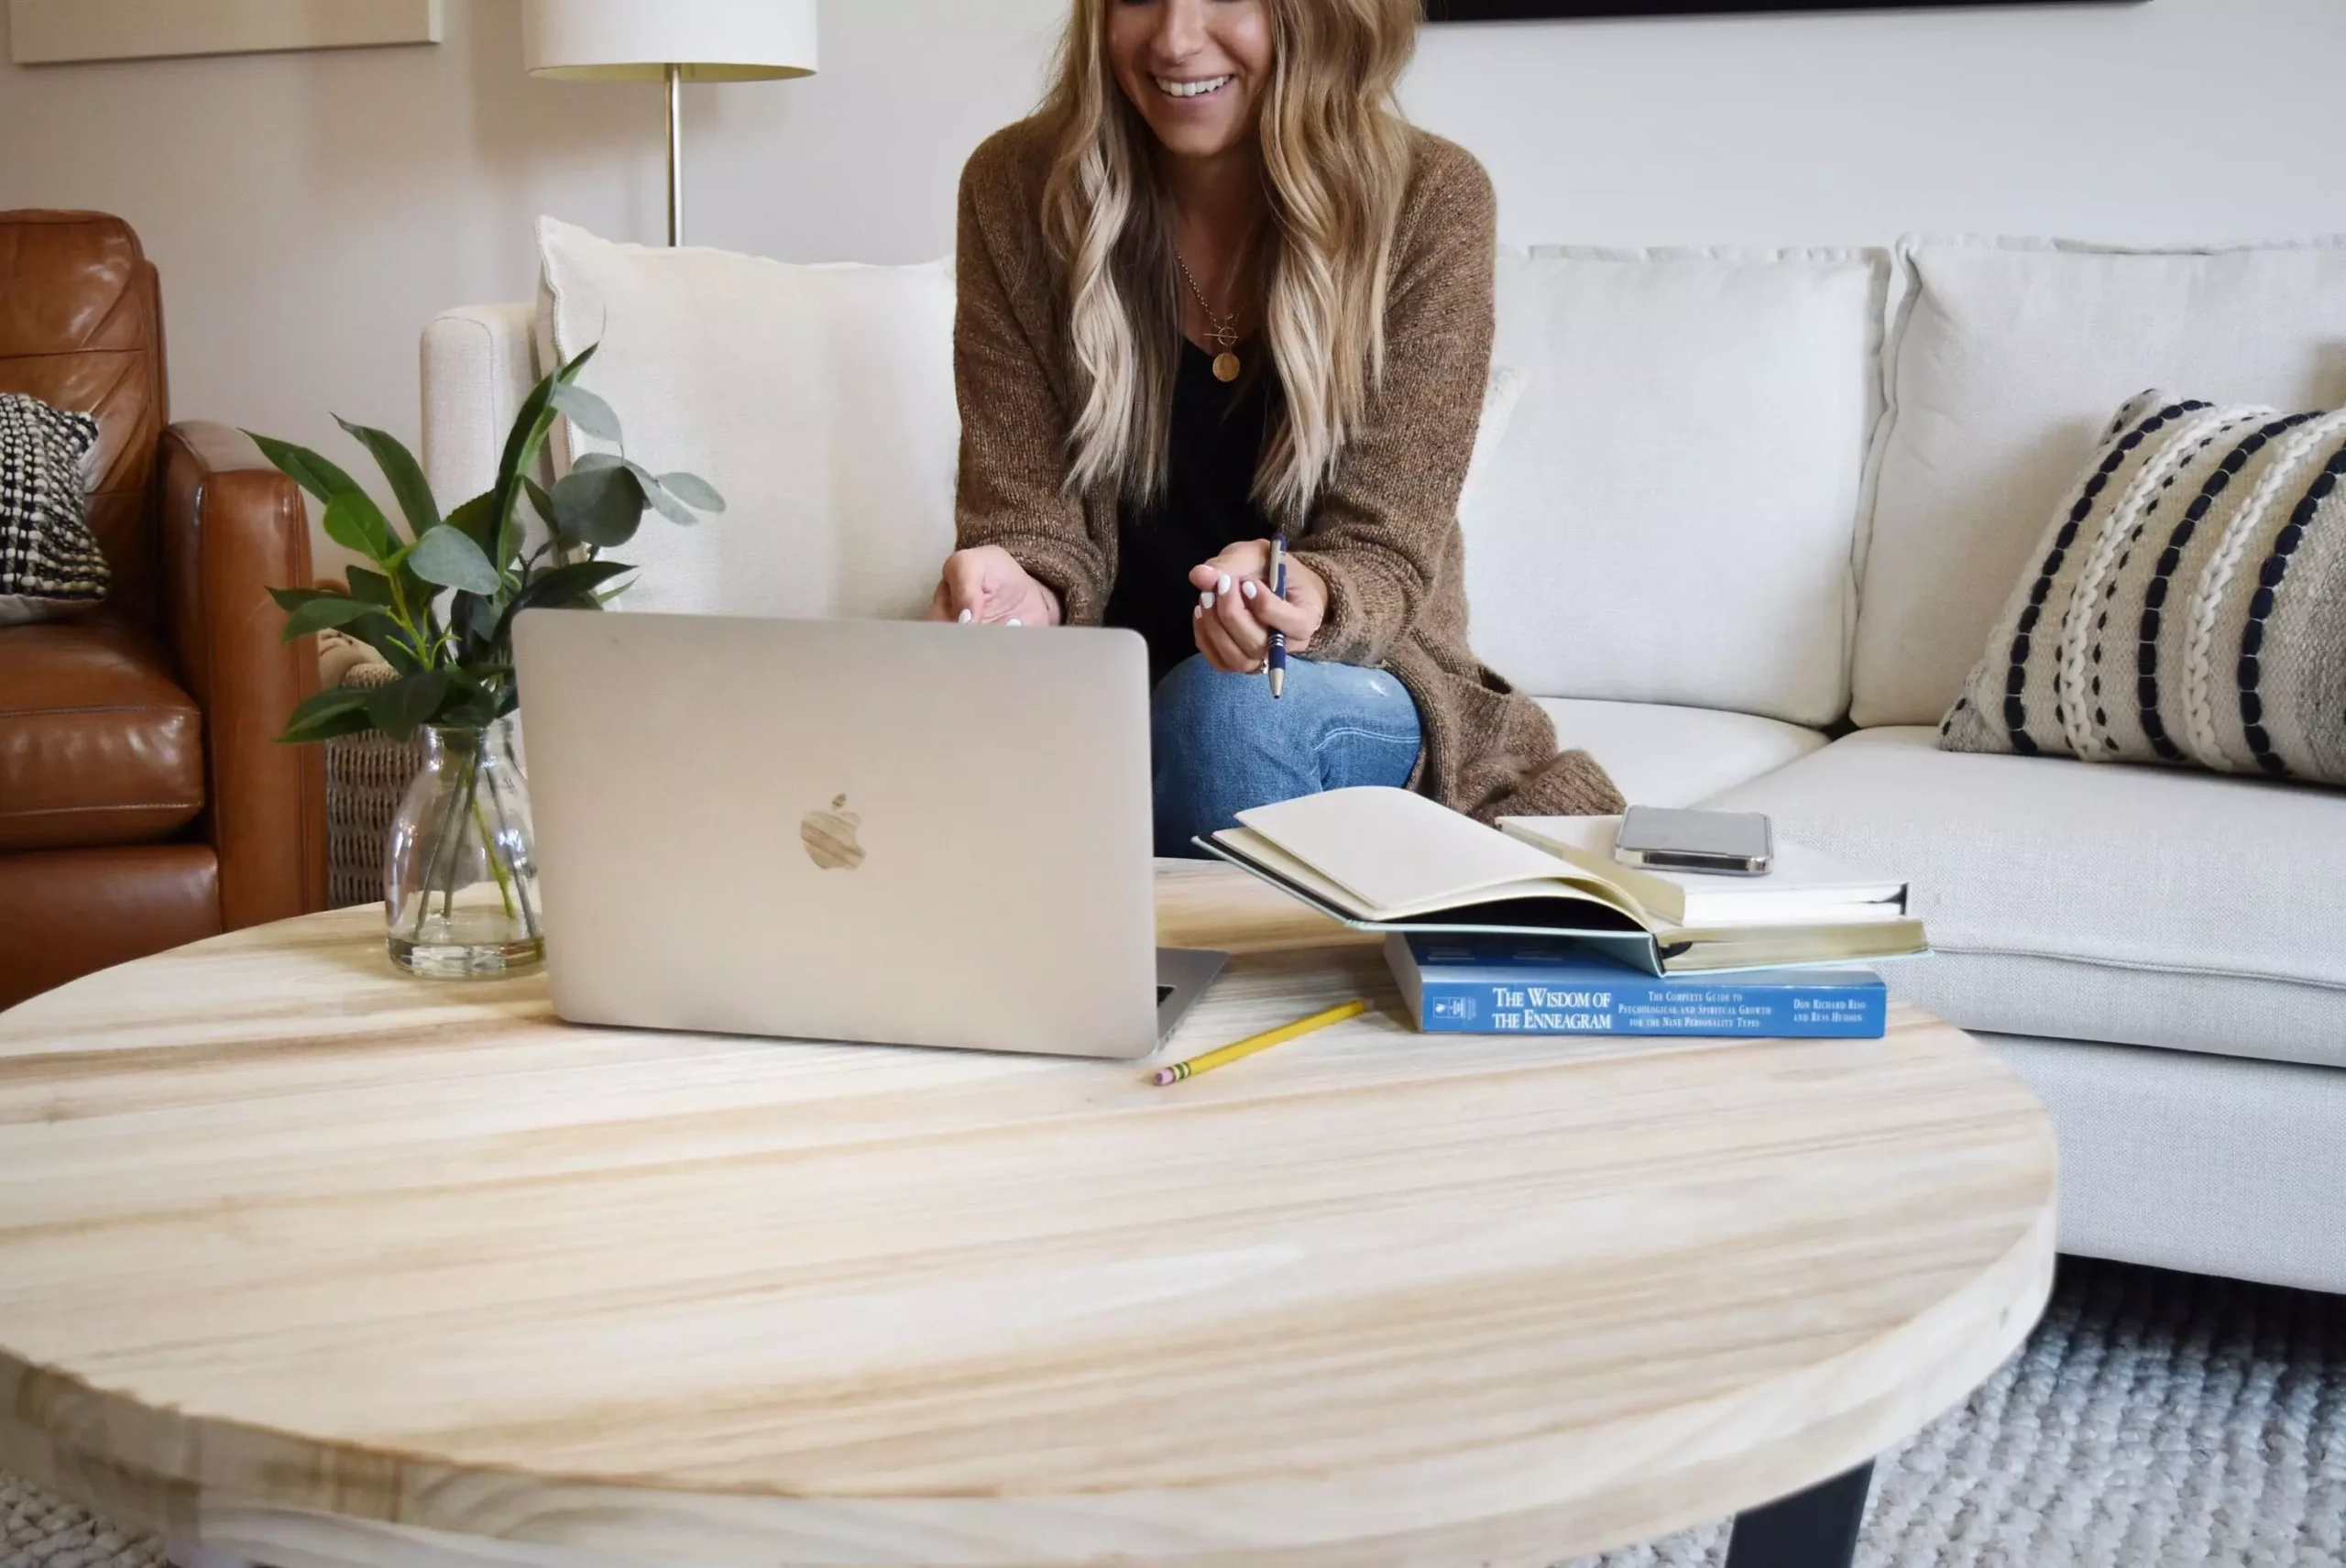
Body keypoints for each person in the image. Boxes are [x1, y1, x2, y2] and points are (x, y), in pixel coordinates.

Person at [927, 0, 1623, 856]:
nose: (1177, 39)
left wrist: (1304, 594)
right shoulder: (1016, 190)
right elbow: (1026, 527)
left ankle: (1232, 991)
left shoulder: (1428, 200)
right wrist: (1019, 596)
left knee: (1226, 712)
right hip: (1102, 693)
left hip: (1351, 676)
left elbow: (1386, 551)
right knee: (878, 713)